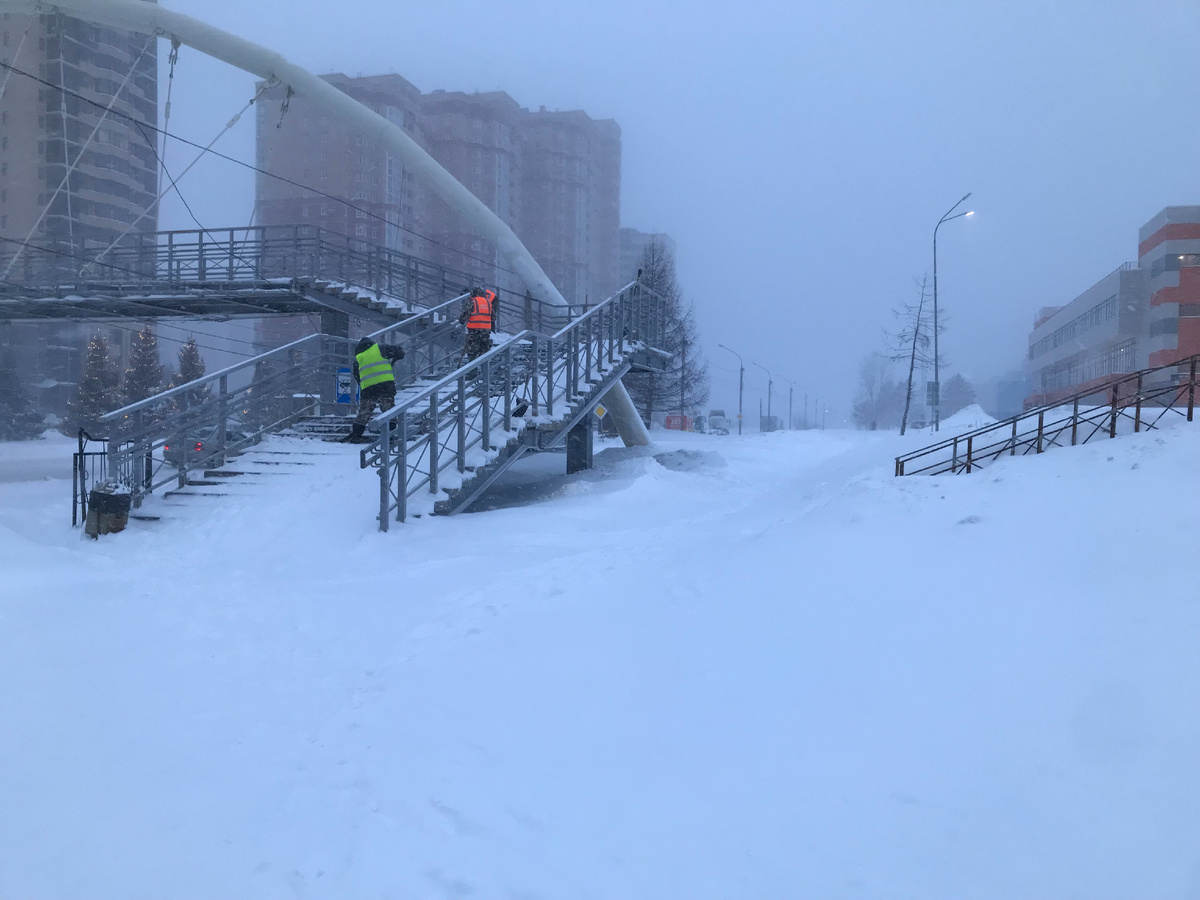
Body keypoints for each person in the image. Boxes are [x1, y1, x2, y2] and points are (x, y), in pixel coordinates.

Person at [340, 337, 405, 443]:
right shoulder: (380, 348)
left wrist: (365, 384)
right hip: (385, 384)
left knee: (365, 411)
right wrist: (393, 360)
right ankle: (390, 435)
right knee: (388, 409)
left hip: (368, 388)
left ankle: (356, 434)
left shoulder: (358, 357)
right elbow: (399, 351)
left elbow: (357, 376)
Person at [459, 286, 496, 375]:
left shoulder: (473, 301)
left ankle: (473, 372)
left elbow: (466, 314)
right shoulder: (488, 302)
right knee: (484, 350)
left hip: (474, 330)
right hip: (486, 330)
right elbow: (493, 317)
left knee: (472, 351)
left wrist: (461, 320)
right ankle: (485, 372)